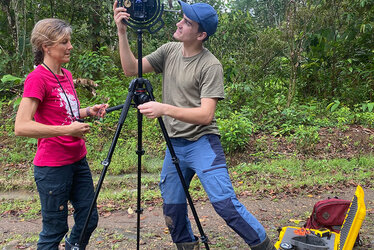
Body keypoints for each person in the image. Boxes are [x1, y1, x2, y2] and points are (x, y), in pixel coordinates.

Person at [113, 1, 275, 249]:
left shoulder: (210, 65)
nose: (179, 23)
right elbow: (129, 69)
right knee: (172, 205)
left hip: (203, 142)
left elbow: (205, 115)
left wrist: (163, 108)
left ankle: (263, 245)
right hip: (175, 144)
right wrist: (122, 33)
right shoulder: (169, 51)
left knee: (224, 203)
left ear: (201, 35)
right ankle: (187, 245)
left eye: (187, 22)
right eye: (182, 18)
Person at [14, 18, 108, 250]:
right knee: (54, 229)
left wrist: (87, 111)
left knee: (89, 219)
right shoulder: (37, 78)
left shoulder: (65, 75)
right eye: (64, 42)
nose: (70, 46)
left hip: (78, 160)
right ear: (46, 47)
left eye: (69, 41)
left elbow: (66, 113)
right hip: (52, 166)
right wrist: (67, 130)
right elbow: (22, 126)